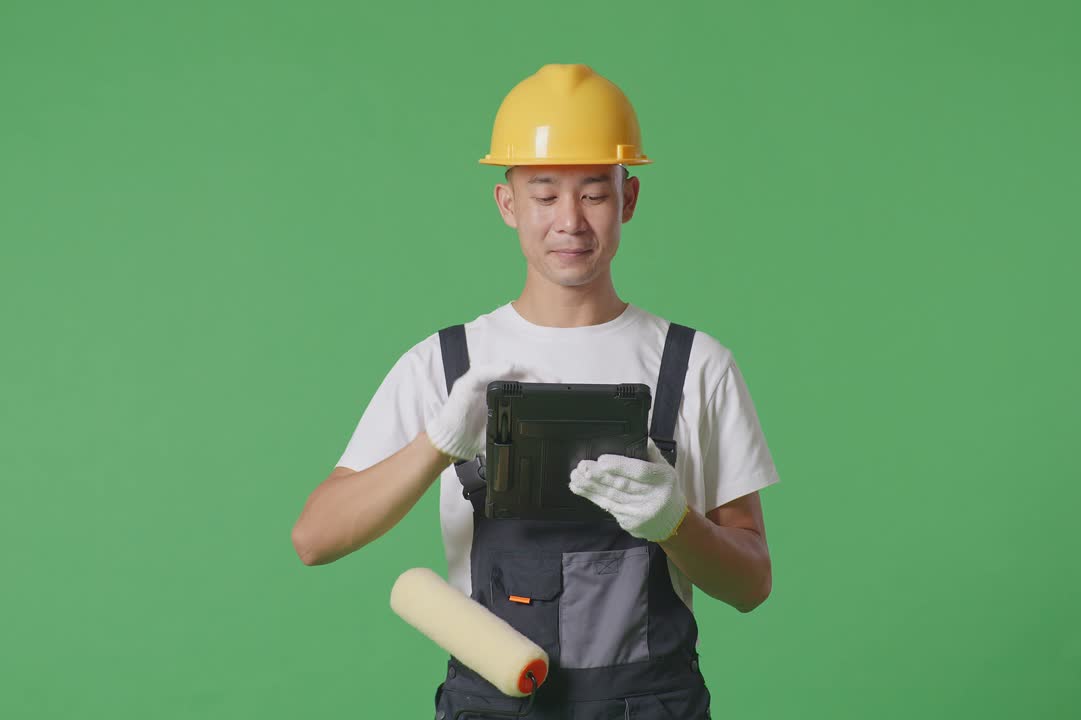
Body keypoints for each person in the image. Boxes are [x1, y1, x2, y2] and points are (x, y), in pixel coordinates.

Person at [291, 64, 780, 720]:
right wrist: (437, 445)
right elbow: (315, 537)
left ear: (628, 199)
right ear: (507, 204)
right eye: (545, 194)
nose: (570, 222)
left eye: (594, 194)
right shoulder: (445, 365)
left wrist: (676, 525)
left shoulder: (694, 367)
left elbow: (752, 583)